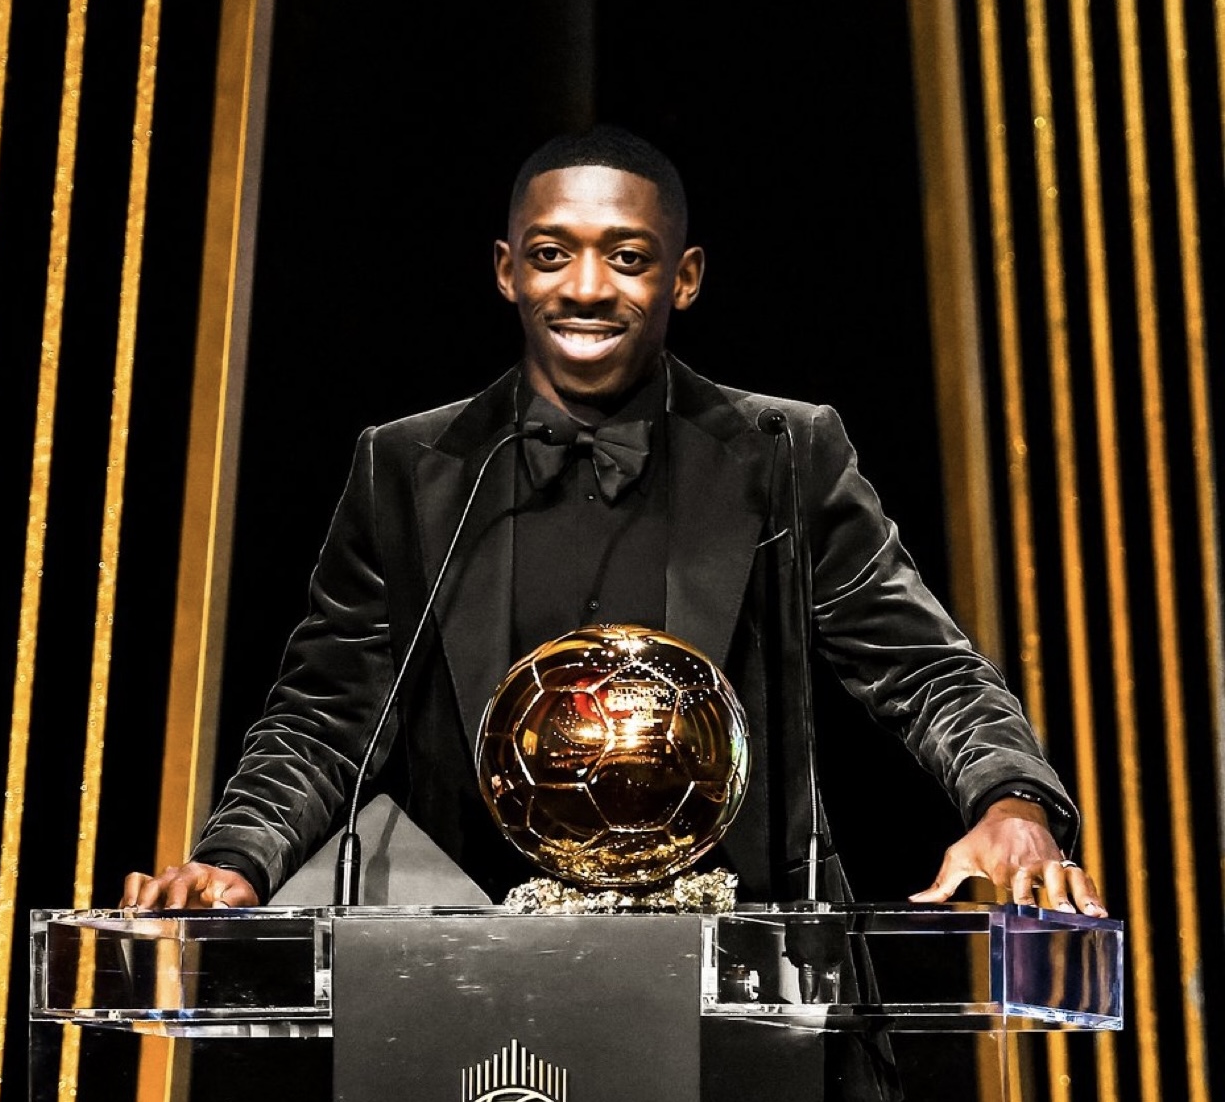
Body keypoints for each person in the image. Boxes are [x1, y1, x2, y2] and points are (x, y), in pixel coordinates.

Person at [122, 125, 1105, 919]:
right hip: (463, 980)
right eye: (551, 254)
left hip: (743, 983)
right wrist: (236, 857)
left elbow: (921, 667)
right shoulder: (405, 466)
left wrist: (1010, 801)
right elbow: (326, 713)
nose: (586, 288)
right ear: (507, 270)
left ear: (683, 277)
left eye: (627, 257)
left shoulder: (784, 452)